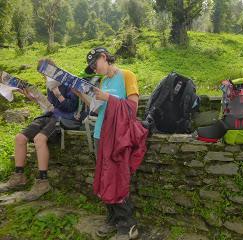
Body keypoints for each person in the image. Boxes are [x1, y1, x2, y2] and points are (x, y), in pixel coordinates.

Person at [0, 58, 79, 201]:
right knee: (19, 138)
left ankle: (42, 182)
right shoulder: (49, 85)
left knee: (39, 139)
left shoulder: (69, 81)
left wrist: (57, 92)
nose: (45, 77)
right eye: (43, 75)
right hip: (50, 115)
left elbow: (70, 108)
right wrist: (34, 98)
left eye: (46, 74)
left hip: (65, 118)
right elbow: (50, 107)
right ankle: (19, 176)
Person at [84, 47, 141, 240]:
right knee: (105, 177)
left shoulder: (127, 75)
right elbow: (97, 109)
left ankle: (128, 224)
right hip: (100, 133)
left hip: (118, 136)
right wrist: (78, 92)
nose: (94, 68)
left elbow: (132, 108)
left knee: (117, 177)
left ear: (104, 57)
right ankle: (113, 218)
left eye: (95, 64)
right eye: (91, 67)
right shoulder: (103, 80)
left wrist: (107, 97)